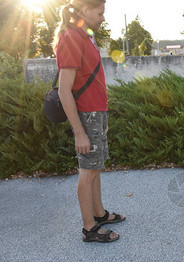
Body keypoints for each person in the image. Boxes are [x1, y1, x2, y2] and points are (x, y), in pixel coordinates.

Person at [53, 0, 125, 242]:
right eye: (100, 12)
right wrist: (79, 132)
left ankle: (99, 213)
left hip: (95, 113)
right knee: (87, 172)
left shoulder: (85, 36)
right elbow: (64, 90)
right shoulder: (71, 37)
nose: (103, 18)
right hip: (86, 115)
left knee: (95, 169)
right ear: (85, 10)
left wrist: (102, 116)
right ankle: (89, 228)